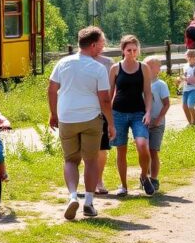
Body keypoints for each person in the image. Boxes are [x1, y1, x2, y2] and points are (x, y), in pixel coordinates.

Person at [48, 26, 114, 220]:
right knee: (91, 160)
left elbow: (51, 90)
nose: (102, 47)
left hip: (66, 117)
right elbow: (104, 99)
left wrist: (53, 113)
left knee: (70, 160)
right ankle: (89, 202)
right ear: (92, 45)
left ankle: (72, 196)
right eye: (101, 44)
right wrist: (110, 123)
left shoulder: (63, 63)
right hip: (90, 119)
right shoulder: (98, 68)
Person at [108, 35, 154, 196]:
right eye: (129, 50)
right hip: (118, 113)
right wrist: (109, 118)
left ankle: (143, 176)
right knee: (121, 151)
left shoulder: (144, 68)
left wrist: (148, 112)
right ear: (123, 51)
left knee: (142, 145)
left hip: (138, 113)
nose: (132, 53)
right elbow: (109, 94)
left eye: (135, 50)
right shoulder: (115, 68)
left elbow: (148, 93)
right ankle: (123, 185)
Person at [144, 56, 170, 193]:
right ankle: (145, 177)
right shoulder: (141, 84)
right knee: (144, 151)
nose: (145, 68)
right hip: (144, 122)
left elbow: (166, 104)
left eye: (149, 66)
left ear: (157, 70)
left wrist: (158, 119)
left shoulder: (160, 85)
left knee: (153, 151)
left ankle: (154, 178)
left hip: (157, 124)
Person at [93, 53, 114, 196]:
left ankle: (98, 181)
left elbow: (113, 88)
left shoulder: (108, 63)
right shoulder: (77, 61)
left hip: (102, 110)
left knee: (101, 148)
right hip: (82, 111)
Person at [179, 49, 195, 126]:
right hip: (186, 90)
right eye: (188, 56)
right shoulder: (185, 66)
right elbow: (184, 75)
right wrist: (179, 80)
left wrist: (184, 79)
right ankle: (190, 123)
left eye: (192, 56)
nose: (190, 58)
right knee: (185, 107)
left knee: (190, 106)